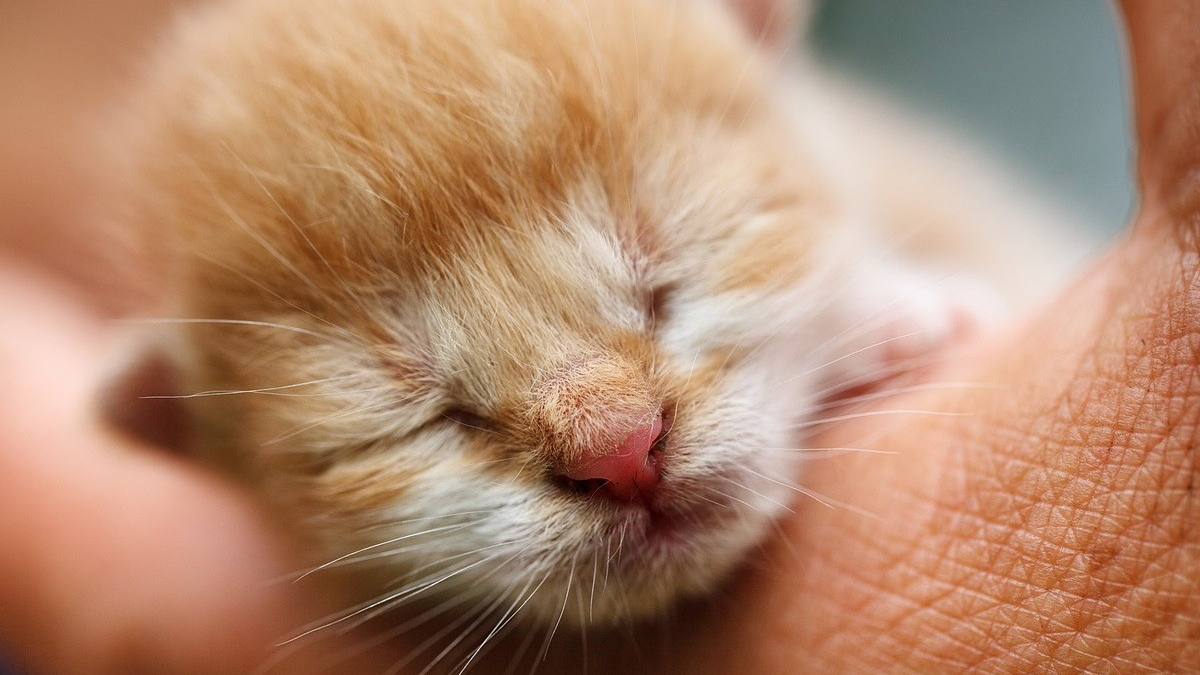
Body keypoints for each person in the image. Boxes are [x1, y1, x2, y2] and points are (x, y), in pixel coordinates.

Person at [1, 1, 1196, 672]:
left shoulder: (846, 152)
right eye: (409, 411)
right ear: (195, 439)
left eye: (662, 287)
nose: (615, 445)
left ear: (758, 34)